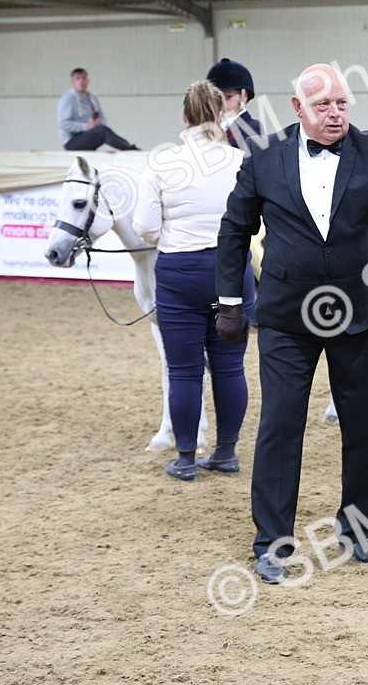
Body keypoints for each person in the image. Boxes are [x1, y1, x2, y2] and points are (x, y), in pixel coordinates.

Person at [213, 64, 368, 584]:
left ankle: (357, 528)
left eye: (342, 103)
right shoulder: (263, 156)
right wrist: (230, 301)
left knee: (364, 423)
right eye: (323, 105)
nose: (335, 114)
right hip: (286, 316)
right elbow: (235, 229)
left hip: (359, 309)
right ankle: (272, 542)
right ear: (297, 107)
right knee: (280, 425)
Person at [131, 80, 256, 481]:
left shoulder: (161, 162)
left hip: (179, 274)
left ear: (184, 117)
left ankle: (185, 458)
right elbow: (254, 219)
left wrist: (171, 236)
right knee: (230, 368)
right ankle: (226, 452)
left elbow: (145, 226)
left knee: (183, 370)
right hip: (231, 271)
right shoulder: (239, 160)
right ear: (221, 115)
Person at [57, 68, 139, 151]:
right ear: (72, 82)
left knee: (103, 129)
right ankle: (131, 149)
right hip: (72, 141)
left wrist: (98, 123)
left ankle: (129, 148)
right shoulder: (67, 99)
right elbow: (62, 123)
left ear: (88, 81)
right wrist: (84, 126)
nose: (81, 81)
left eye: (84, 78)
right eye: (78, 79)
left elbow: (102, 118)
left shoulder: (92, 98)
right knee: (103, 131)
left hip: (89, 134)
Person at [206, 57, 264, 152]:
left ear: (244, 96)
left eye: (228, 97)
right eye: (216, 98)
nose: (222, 103)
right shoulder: (209, 126)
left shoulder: (252, 126)